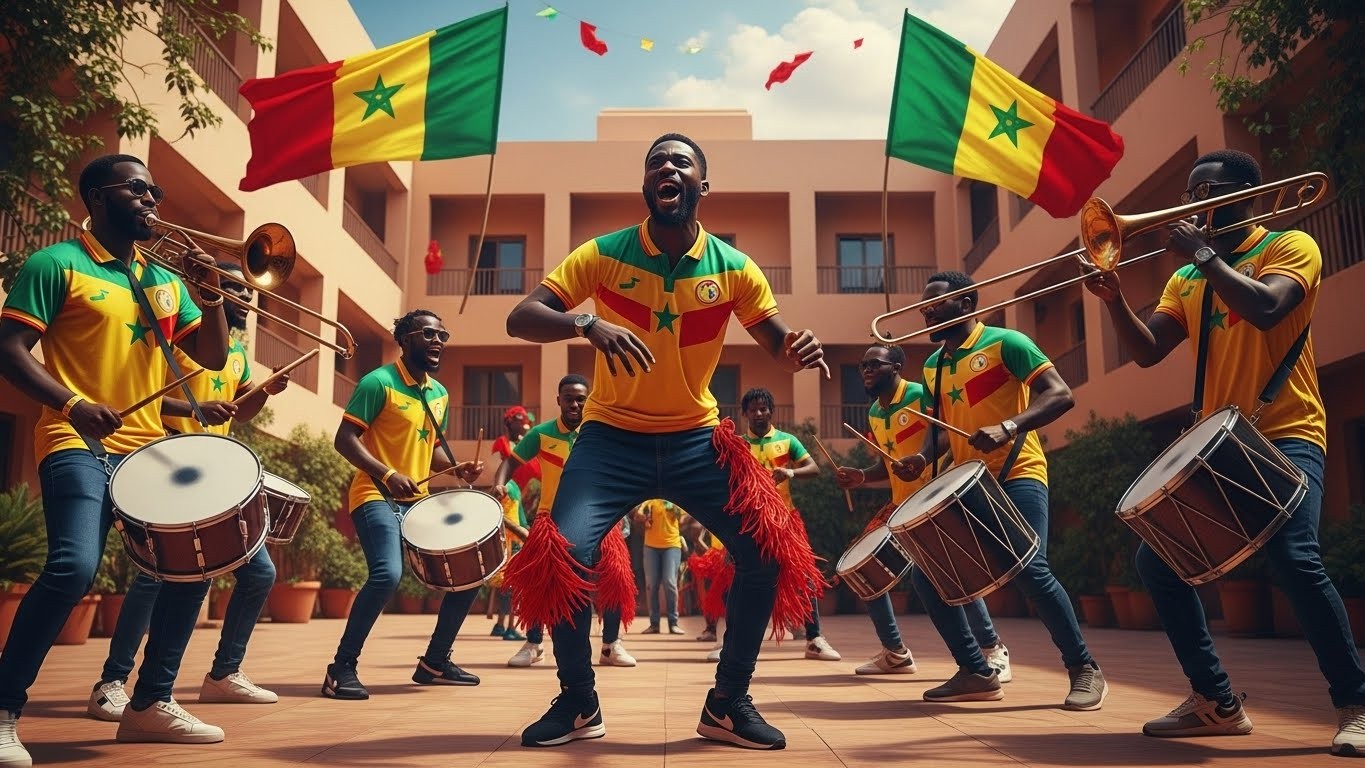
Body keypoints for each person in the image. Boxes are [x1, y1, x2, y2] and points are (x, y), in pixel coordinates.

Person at [504, 133, 827, 750]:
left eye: (682, 162)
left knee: (766, 553)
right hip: (608, 439)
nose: (668, 168)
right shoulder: (601, 254)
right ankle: (577, 704)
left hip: (697, 439)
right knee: (562, 554)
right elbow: (520, 318)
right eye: (657, 163)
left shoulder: (735, 268)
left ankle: (728, 704)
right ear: (647, 187)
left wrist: (796, 348)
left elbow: (777, 342)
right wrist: (585, 321)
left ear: (703, 187)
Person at [1085, 149, 1365, 755]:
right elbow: (1147, 351)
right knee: (1156, 565)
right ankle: (1215, 701)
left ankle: (1356, 703)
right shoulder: (1184, 279)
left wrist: (1205, 256)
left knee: (1295, 558)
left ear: (1249, 195)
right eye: (1189, 193)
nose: (1194, 205)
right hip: (1222, 445)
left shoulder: (1290, 247)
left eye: (1208, 192)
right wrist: (1112, 301)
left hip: (1287, 429)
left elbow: (1267, 309)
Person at [0, 153, 232, 761]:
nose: (153, 200)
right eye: (139, 190)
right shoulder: (58, 264)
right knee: (74, 568)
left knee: (191, 567)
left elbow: (210, 357)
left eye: (155, 191)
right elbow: (9, 348)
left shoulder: (165, 280)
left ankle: (150, 704)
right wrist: (73, 403)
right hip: (77, 442)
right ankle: (3, 707)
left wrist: (210, 299)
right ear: (99, 197)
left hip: (149, 452)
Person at [88, 263, 290, 722]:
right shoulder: (174, 336)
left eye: (245, 290)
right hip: (169, 458)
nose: (242, 296)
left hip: (216, 474)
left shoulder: (233, 351)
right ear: (203, 287)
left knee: (258, 573)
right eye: (232, 287)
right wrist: (194, 408)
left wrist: (265, 391)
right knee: (158, 575)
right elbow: (144, 391)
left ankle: (223, 674)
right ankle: (113, 681)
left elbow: (238, 410)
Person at [902, 270, 1106, 710]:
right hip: (967, 485)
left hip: (1018, 473)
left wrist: (1010, 425)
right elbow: (941, 428)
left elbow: (1060, 394)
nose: (928, 310)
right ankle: (976, 671)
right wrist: (922, 455)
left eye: (937, 302)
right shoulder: (933, 364)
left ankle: (1084, 668)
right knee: (929, 576)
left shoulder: (1006, 343)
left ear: (967, 302)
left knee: (1031, 570)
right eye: (925, 305)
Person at [320, 309, 484, 700]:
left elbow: (425, 453)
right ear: (406, 338)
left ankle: (434, 662)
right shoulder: (379, 382)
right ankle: (340, 669)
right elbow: (345, 439)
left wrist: (459, 468)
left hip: (418, 502)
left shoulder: (439, 393)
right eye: (428, 333)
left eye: (443, 334)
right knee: (386, 575)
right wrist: (389, 473)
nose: (438, 341)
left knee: (470, 571)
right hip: (375, 494)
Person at [835, 344, 1009, 679]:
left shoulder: (918, 395)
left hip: (933, 500)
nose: (866, 370)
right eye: (862, 365)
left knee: (951, 576)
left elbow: (946, 431)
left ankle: (992, 648)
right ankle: (895, 652)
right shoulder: (874, 413)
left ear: (897, 366)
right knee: (863, 568)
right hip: (899, 506)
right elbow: (889, 462)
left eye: (874, 364)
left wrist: (923, 459)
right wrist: (863, 476)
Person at [494, 375, 635, 669]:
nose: (574, 404)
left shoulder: (599, 433)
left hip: (599, 519)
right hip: (550, 520)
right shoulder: (542, 433)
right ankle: (533, 644)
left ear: (589, 401)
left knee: (614, 577)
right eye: (569, 398)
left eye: (580, 398)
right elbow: (510, 462)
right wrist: (499, 484)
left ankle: (611, 645)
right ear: (558, 400)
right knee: (536, 581)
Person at [739, 387, 840, 662]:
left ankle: (814, 638)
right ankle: (734, 641)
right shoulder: (738, 445)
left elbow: (814, 467)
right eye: (753, 409)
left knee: (805, 577)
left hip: (786, 519)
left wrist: (790, 472)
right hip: (750, 524)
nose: (759, 414)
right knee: (741, 579)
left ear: (771, 411)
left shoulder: (787, 441)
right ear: (745, 413)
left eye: (764, 408)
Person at [637, 498, 687, 634]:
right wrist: (644, 517)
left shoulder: (675, 499)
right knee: (652, 584)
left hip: (672, 545)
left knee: (669, 582)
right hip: (650, 547)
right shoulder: (650, 500)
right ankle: (654, 624)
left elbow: (683, 519)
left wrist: (676, 511)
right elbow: (638, 515)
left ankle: (673, 622)